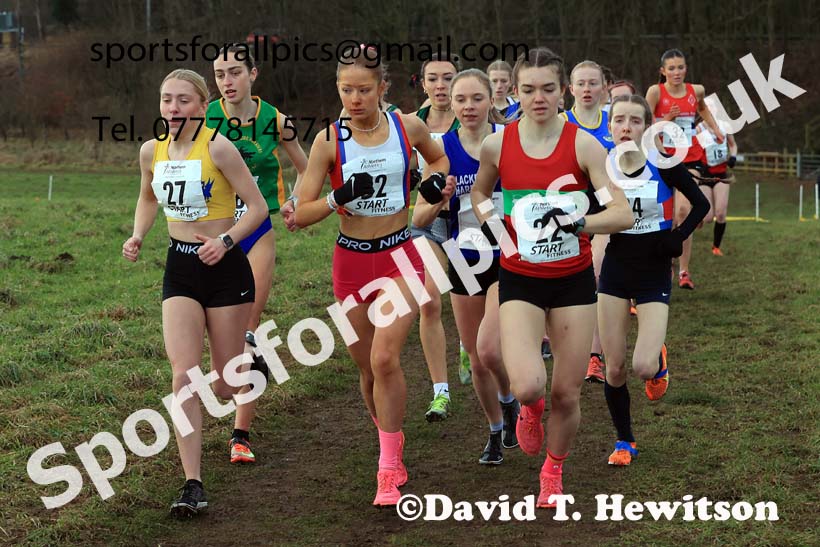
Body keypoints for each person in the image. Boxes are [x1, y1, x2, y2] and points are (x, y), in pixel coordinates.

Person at [290, 45, 453, 506]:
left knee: (385, 359)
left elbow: (439, 162)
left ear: (383, 87)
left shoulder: (408, 127)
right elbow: (300, 214)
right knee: (366, 370)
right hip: (350, 261)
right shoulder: (327, 140)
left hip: (400, 254)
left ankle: (385, 470)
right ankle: (392, 447)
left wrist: (437, 185)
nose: (354, 99)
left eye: (364, 89)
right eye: (346, 90)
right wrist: (339, 198)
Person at [471, 47, 633, 508]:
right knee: (529, 386)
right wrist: (495, 226)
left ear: (561, 90)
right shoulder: (498, 144)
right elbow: (483, 191)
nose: (537, 98)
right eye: (527, 89)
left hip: (573, 281)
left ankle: (552, 471)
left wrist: (582, 224)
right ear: (514, 92)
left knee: (566, 390)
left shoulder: (583, 145)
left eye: (546, 88)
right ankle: (529, 410)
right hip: (519, 276)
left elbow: (619, 211)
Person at [122, 69, 268, 516]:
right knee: (184, 374)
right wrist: (138, 234)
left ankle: (251, 358)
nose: (173, 109)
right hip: (180, 268)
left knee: (224, 386)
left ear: (202, 107)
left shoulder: (219, 148)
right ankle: (192, 483)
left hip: (224, 268)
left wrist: (225, 242)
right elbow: (148, 197)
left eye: (183, 101)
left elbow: (259, 208)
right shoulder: (152, 150)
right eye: (167, 100)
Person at [208, 44, 308, 465]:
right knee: (217, 341)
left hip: (257, 230)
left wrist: (294, 202)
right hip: (214, 234)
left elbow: (307, 169)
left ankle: (240, 435)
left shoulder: (276, 121)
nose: (227, 82)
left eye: (234, 72)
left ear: (253, 73)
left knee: (247, 327)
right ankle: (245, 369)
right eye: (219, 74)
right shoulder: (204, 117)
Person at [413, 68, 519, 464]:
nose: (469, 107)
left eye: (477, 99)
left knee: (490, 349)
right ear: (450, 104)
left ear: (492, 99)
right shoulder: (441, 150)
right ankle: (496, 426)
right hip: (464, 261)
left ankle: (509, 397)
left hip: (507, 255)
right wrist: (440, 200)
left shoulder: (511, 142)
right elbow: (419, 220)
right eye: (461, 100)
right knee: (475, 358)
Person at [597, 94, 709, 465]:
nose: (626, 127)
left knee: (641, 367)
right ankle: (624, 441)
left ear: (647, 127)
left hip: (653, 268)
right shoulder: (600, 168)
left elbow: (702, 204)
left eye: (635, 121)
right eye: (619, 121)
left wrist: (677, 235)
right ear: (609, 127)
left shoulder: (662, 164)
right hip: (615, 267)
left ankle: (658, 361)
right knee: (613, 367)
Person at [410, 53, 465, 416]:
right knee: (429, 300)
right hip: (424, 222)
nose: (441, 85)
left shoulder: (473, 117)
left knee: (466, 300)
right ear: (423, 82)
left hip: (470, 225)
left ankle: (468, 349)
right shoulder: (409, 124)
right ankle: (440, 392)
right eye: (434, 78)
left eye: (448, 78)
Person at [646, 49, 724, 290]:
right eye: (671, 68)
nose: (676, 72)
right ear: (663, 71)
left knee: (682, 212)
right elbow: (644, 122)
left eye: (680, 67)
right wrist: (666, 120)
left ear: (686, 68)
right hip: (662, 158)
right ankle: (664, 265)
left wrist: (715, 129)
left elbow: (703, 109)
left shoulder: (696, 90)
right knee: (666, 217)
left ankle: (684, 271)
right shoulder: (655, 92)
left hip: (689, 159)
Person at [561, 60, 615, 384]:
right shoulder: (560, 123)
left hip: (604, 209)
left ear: (604, 87)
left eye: (593, 83)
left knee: (595, 272)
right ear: (570, 89)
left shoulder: (614, 123)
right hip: (565, 209)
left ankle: (594, 356)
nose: (586, 89)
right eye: (580, 83)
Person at [694, 119, 737, 256]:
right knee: (708, 217)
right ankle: (699, 217)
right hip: (705, 176)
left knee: (720, 213)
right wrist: (700, 163)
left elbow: (733, 145)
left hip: (721, 175)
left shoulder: (724, 126)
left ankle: (716, 247)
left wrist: (733, 157)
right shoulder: (699, 128)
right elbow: (694, 149)